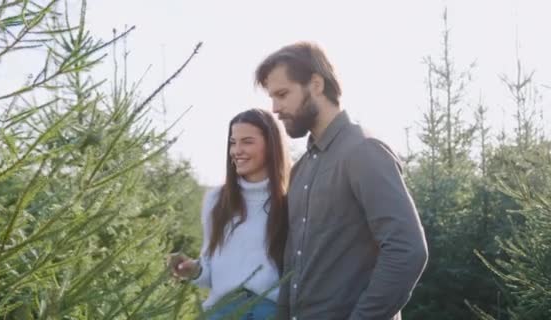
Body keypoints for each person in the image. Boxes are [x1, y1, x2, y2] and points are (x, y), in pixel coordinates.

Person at [254, 42, 429, 320]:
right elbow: (292, 262)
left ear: (315, 84)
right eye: (272, 97)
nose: (275, 108)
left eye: (282, 94)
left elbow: (407, 250)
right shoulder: (301, 169)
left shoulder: (364, 152)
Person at [167, 108, 291, 319]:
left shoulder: (291, 201)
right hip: (222, 311)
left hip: (270, 312)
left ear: (271, 145)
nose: (237, 150)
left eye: (247, 142)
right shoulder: (216, 200)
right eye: (233, 142)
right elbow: (209, 271)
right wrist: (193, 270)